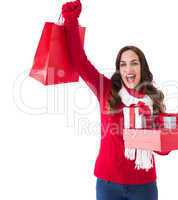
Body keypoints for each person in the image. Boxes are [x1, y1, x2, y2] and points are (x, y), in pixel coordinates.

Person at [62, 1, 171, 199]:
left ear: (142, 68)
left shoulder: (152, 99)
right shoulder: (107, 91)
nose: (128, 69)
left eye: (134, 63)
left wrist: (159, 133)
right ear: (119, 70)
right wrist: (71, 20)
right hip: (107, 183)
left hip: (144, 185)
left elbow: (164, 151)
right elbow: (80, 61)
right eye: (123, 64)